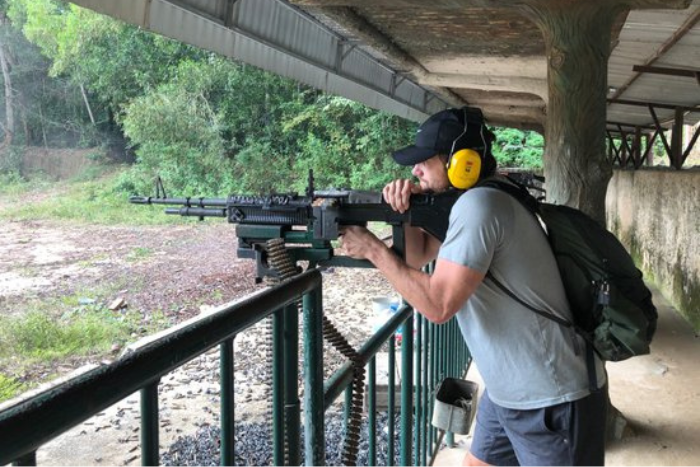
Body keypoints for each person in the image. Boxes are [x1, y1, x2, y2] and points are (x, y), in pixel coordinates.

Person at [339, 107, 608, 466]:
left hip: (551, 398)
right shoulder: (491, 195)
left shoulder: (480, 206)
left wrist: (373, 249)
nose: (415, 170)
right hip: (508, 389)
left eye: (424, 162)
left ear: (461, 163)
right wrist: (403, 215)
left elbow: (437, 304)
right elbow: (417, 258)